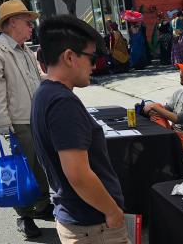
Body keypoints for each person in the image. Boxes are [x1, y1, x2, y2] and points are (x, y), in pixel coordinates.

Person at [31, 14, 130, 244]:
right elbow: (78, 174)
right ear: (69, 56)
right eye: (91, 57)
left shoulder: (45, 93)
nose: (95, 65)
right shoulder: (62, 103)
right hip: (94, 227)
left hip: (78, 219)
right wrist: (112, 211)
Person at [0, 0, 51, 239]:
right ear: (11, 23)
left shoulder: (25, 49)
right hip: (18, 121)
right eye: (27, 22)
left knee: (42, 167)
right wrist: (2, 121)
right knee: (23, 170)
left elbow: (39, 77)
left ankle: (41, 206)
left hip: (36, 118)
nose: (32, 26)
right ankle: (25, 216)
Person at [143, 59, 183, 153]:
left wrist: (154, 107)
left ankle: (159, 138)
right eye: (181, 71)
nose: (181, 74)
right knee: (157, 110)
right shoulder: (179, 93)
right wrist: (150, 110)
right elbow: (165, 110)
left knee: (157, 109)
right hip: (172, 132)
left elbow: (177, 119)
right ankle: (160, 137)